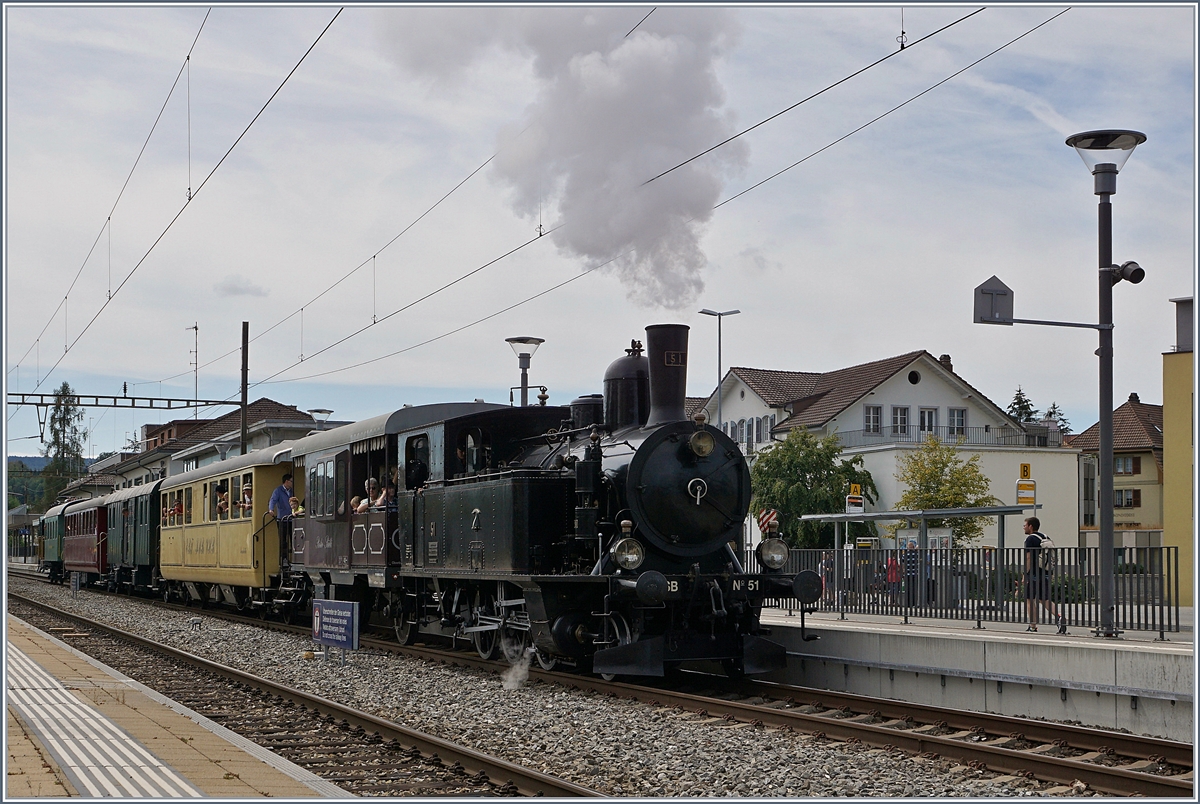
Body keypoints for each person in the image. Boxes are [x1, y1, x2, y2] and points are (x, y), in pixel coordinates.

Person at [1024, 517, 1066, 634]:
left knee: (1030, 599)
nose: (1024, 527)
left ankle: (1033, 625)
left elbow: (1028, 557)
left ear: (1031, 526)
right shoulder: (1045, 537)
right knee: (1045, 599)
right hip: (1046, 572)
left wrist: (1025, 574)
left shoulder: (1030, 539)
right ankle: (1059, 617)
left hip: (1033, 573)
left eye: (1025, 525)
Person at [903, 540, 921, 608]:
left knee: (907, 589)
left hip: (907, 574)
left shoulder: (905, 554)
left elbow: (902, 564)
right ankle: (914, 603)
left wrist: (903, 572)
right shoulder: (916, 554)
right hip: (915, 574)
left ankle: (908, 603)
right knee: (914, 589)